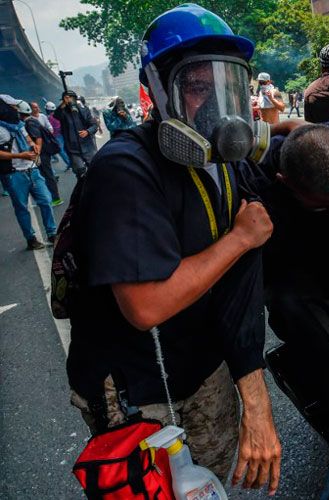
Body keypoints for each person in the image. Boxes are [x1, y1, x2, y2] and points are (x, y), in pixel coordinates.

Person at [65, 4, 281, 493]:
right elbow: (146, 306)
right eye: (197, 86)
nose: (214, 105)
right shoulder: (124, 170)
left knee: (209, 481)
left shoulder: (223, 162)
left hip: (201, 367)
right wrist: (240, 238)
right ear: (157, 90)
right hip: (138, 392)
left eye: (226, 85)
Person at [0, 95, 57, 249]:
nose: (16, 109)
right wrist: (19, 155)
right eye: (13, 107)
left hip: (32, 170)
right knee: (21, 208)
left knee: (46, 201)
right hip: (14, 174)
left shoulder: (19, 124)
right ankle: (31, 239)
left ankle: (52, 234)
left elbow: (29, 140)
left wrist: (34, 147)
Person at [19, 101, 63, 206]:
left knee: (47, 175)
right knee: (44, 175)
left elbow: (38, 138)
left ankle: (55, 198)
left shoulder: (30, 123)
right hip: (43, 152)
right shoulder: (31, 121)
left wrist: (37, 153)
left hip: (42, 153)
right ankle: (49, 198)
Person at [53, 90, 98, 178]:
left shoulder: (84, 110)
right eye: (67, 99)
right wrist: (63, 104)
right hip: (73, 149)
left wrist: (87, 131)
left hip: (88, 146)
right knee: (80, 172)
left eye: (72, 98)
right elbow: (56, 115)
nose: (70, 100)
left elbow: (94, 125)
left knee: (95, 169)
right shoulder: (63, 113)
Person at [45, 102, 71, 169]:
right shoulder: (58, 115)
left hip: (56, 136)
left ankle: (69, 163)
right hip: (61, 134)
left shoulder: (49, 118)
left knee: (61, 150)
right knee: (64, 150)